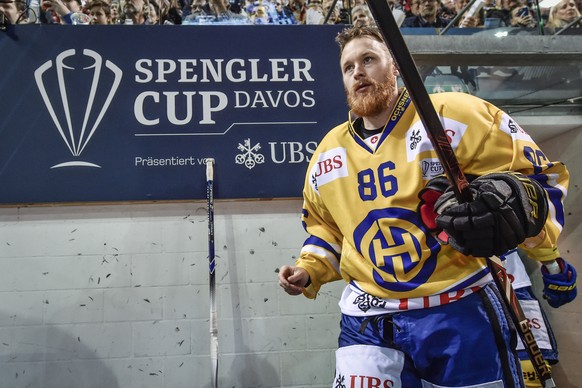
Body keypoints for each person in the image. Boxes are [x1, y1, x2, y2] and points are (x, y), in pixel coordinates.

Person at [278, 26, 575, 387]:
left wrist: (548, 254)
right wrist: (308, 270)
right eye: (348, 66)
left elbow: (540, 182)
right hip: (368, 318)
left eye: (369, 59)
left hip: (459, 309)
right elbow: (327, 231)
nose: (358, 71)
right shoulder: (328, 153)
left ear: (396, 67)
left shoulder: (456, 115)